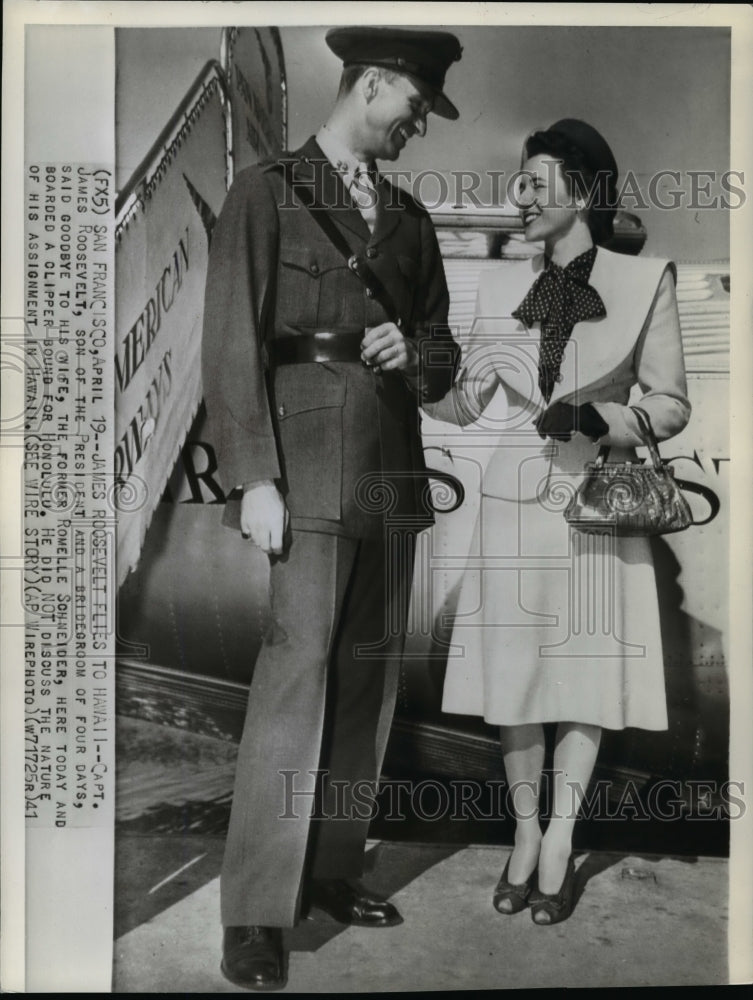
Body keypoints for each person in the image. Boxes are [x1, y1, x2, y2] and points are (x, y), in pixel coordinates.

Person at [201, 26, 462, 990]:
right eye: (416, 106)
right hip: (304, 474)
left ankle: (333, 869)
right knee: (292, 683)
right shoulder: (265, 193)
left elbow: (441, 356)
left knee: (366, 685)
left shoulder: (411, 222)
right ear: (373, 84)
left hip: (392, 474)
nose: (420, 126)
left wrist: (417, 355)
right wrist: (254, 477)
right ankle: (257, 914)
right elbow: (231, 338)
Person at [426, 119, 690, 925]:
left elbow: (671, 402)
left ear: (583, 192)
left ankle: (560, 837)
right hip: (511, 502)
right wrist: (417, 363)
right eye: (519, 181)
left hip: (594, 504)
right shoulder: (497, 291)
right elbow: (463, 402)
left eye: (536, 181)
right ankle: (523, 830)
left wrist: (604, 417)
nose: (520, 196)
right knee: (512, 681)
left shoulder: (643, 282)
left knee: (582, 678)